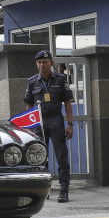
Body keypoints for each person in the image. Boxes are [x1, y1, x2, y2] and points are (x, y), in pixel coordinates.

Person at [24, 50, 74, 203]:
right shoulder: (32, 81)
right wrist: (29, 127)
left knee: (61, 155)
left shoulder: (60, 79)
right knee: (40, 156)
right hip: (39, 122)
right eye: (39, 62)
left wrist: (70, 124)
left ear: (51, 63)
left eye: (45, 62)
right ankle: (43, 190)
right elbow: (29, 104)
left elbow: (67, 103)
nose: (42, 65)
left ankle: (64, 190)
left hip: (55, 120)